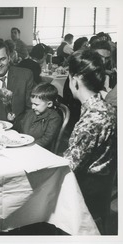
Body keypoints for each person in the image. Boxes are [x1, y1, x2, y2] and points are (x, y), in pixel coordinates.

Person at [63, 49, 117, 232]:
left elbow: (69, 166)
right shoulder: (106, 107)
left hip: (87, 191)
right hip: (101, 184)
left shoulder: (93, 119)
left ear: (75, 79)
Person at [13, 82, 62, 150]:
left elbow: (46, 139)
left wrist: (29, 146)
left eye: (36, 104)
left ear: (49, 104)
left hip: (40, 150)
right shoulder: (31, 113)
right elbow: (21, 127)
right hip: (24, 146)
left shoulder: (54, 118)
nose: (32, 107)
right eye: (32, 103)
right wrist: (13, 120)